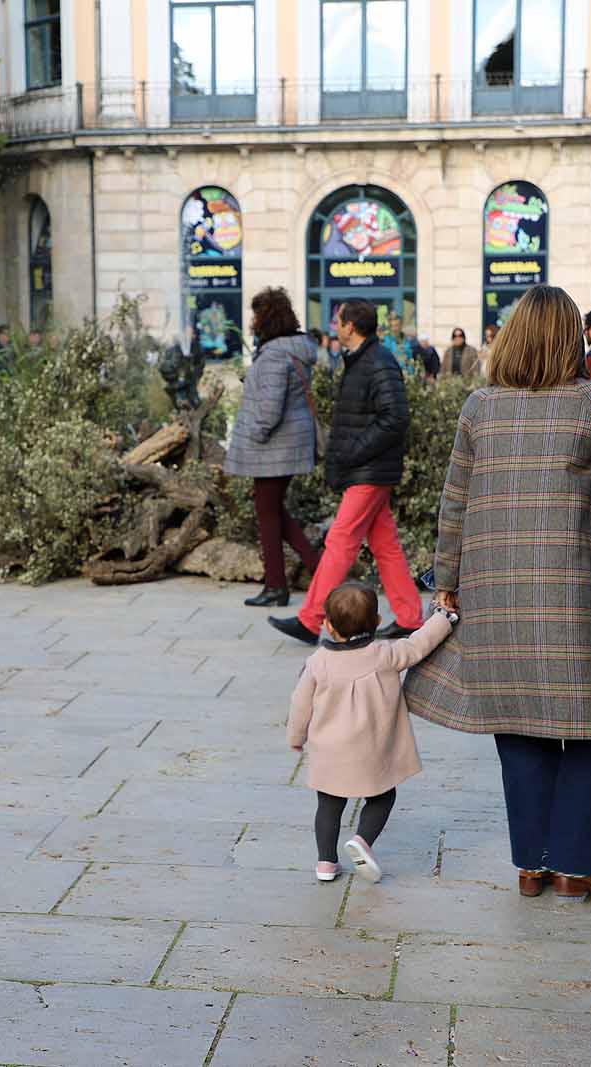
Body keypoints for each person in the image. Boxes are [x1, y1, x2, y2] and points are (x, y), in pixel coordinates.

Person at [403, 284, 591, 902]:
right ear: (572, 338)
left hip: (495, 587)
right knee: (587, 726)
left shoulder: (480, 407)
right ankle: (577, 867)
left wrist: (449, 581)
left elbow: (453, 504)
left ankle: (531, 865)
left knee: (517, 724)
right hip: (577, 588)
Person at [270, 299, 423, 645]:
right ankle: (411, 618)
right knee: (386, 546)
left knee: (340, 540)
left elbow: (395, 418)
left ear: (350, 326)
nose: (334, 325)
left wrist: (353, 452)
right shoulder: (360, 360)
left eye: (338, 320)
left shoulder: (377, 362)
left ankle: (311, 621)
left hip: (370, 471)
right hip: (367, 469)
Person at [287, 580, 454, 883]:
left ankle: (325, 863)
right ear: (376, 623)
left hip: (330, 753)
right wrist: (444, 618)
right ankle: (362, 840)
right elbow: (419, 644)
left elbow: (300, 704)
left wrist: (296, 738)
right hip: (372, 751)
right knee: (382, 797)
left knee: (328, 806)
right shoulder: (384, 655)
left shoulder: (317, 663)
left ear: (327, 625)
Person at [223, 288, 324, 609]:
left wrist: (254, 431)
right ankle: (319, 572)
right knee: (274, 512)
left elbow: (269, 409)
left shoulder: (275, 354)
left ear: (267, 317)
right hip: (288, 444)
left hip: (272, 447)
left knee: (267, 515)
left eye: (256, 314)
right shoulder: (293, 349)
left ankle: (277, 586)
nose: (252, 321)